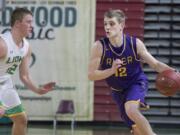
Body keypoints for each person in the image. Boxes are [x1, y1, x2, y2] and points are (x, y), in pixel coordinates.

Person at [88, 9, 174, 135]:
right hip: (117, 91)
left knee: (131, 110)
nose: (107, 27)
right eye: (105, 24)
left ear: (121, 25)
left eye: (111, 24)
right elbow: (91, 75)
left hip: (136, 83)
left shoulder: (135, 44)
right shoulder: (99, 47)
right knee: (136, 130)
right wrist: (111, 70)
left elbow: (155, 64)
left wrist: (174, 72)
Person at [0, 8, 55, 135]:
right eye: (29, 22)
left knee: (21, 119)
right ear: (18, 23)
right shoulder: (3, 44)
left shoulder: (26, 46)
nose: (32, 26)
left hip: (5, 84)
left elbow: (24, 76)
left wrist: (38, 90)